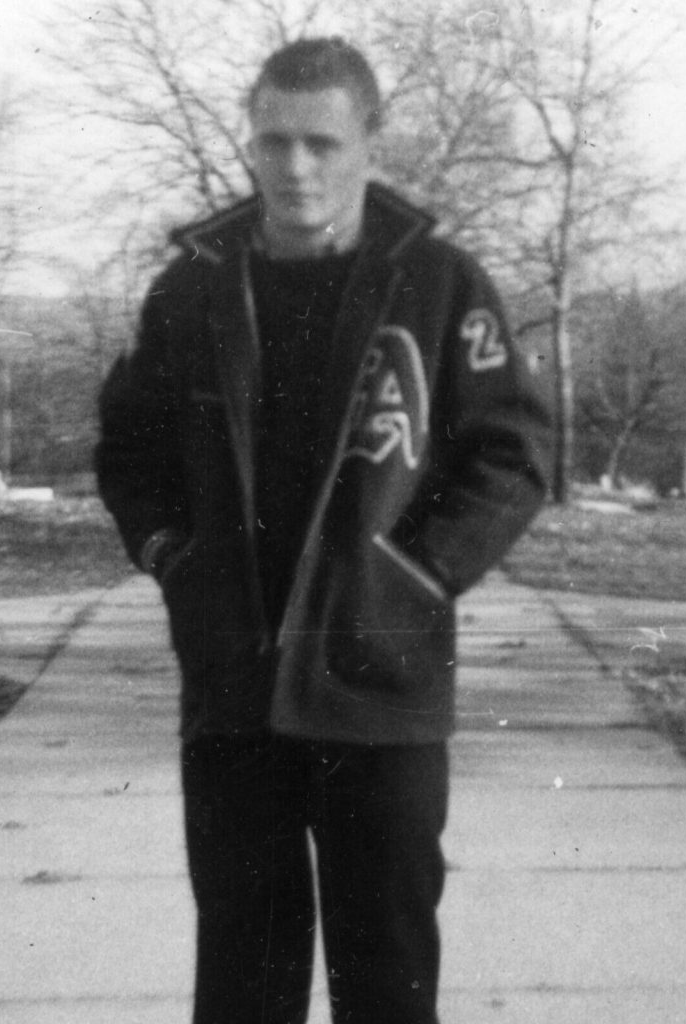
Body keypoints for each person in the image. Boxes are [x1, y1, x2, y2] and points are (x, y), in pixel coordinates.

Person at [95, 36, 551, 1024]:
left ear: (369, 143)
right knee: (244, 986)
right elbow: (127, 450)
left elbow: (514, 454)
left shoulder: (438, 282)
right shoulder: (191, 290)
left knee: (385, 977)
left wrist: (417, 575)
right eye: (273, 142)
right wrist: (174, 558)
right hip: (234, 686)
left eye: (321, 142)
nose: (296, 167)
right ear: (250, 146)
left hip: (380, 689)